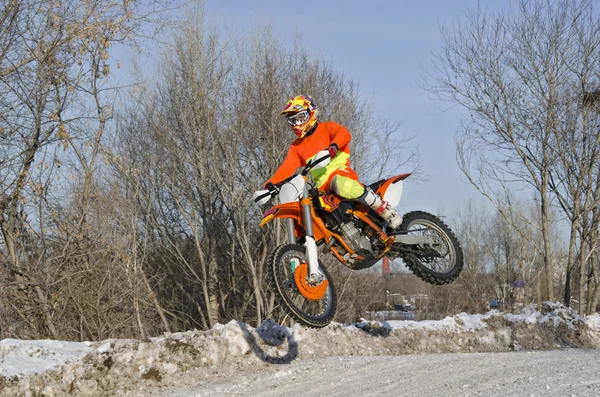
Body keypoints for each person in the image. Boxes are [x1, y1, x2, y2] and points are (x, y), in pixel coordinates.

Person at [264, 95, 402, 229]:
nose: (296, 124)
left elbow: (344, 133)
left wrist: (333, 146)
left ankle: (384, 209)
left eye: (300, 118)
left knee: (341, 184)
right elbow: (287, 166)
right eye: (293, 121)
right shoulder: (296, 146)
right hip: (322, 188)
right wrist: (269, 185)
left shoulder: (326, 128)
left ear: (310, 113)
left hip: (340, 173)